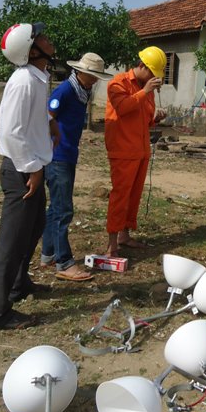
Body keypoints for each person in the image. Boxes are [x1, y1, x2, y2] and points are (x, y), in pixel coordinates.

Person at [0, 23, 59, 330]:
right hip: (22, 170)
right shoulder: (24, 81)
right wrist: (33, 170)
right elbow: (10, 132)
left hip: (30, 167)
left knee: (34, 228)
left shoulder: (38, 78)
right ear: (32, 50)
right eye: (41, 37)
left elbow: (29, 120)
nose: (48, 39)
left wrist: (49, 121)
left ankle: (19, 285)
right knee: (12, 242)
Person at [40, 52, 112, 281]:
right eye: (91, 75)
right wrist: (53, 141)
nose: (94, 80)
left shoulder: (82, 92)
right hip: (58, 156)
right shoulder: (65, 91)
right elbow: (47, 116)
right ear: (80, 72)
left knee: (55, 210)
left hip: (68, 154)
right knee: (63, 211)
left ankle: (48, 253)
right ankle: (64, 263)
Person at [104, 46, 167, 257]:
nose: (153, 79)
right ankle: (112, 243)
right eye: (152, 73)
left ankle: (125, 235)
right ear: (141, 66)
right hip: (123, 151)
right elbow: (122, 108)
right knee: (120, 196)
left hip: (140, 151)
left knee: (134, 196)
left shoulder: (144, 89)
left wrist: (156, 118)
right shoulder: (118, 83)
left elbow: (143, 118)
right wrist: (145, 91)